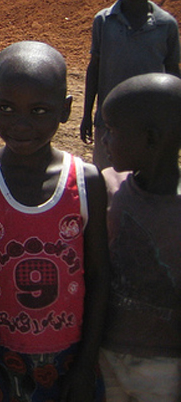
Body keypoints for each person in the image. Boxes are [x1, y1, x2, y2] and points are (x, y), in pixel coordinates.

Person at [0, 41, 109, 402]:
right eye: (6, 108)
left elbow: (100, 276)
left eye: (39, 111)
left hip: (70, 362)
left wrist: (86, 366)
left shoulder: (85, 182)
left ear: (66, 110)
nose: (21, 125)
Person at [98, 73, 181, 402]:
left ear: (151, 139)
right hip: (105, 351)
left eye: (112, 130)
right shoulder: (108, 187)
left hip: (165, 364)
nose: (104, 140)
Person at [79, 0, 180, 169]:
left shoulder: (166, 25)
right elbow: (94, 68)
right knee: (107, 177)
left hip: (152, 121)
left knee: (148, 176)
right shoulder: (104, 21)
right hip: (109, 120)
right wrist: (87, 114)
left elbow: (173, 73)